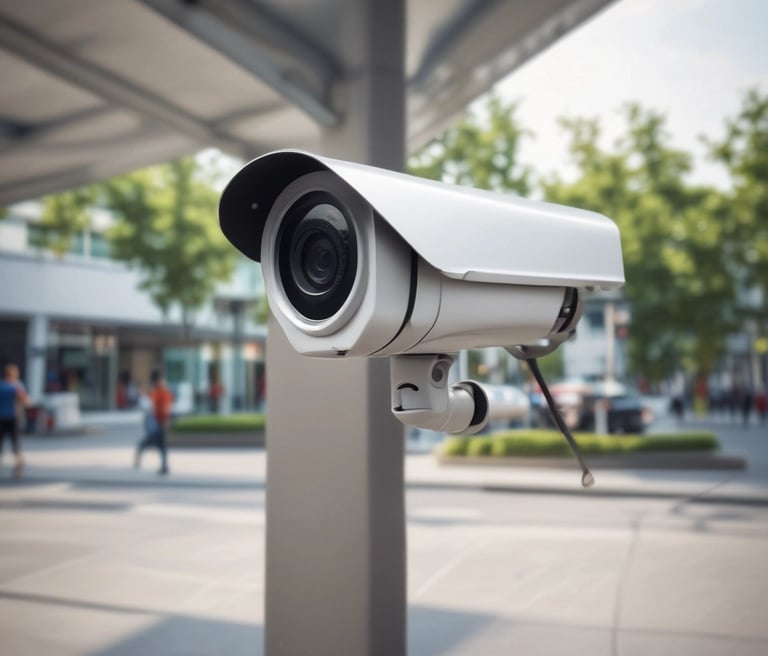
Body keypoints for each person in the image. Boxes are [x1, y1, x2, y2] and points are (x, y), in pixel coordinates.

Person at [134, 371, 173, 475]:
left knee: (159, 444)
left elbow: (165, 407)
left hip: (158, 422)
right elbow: (154, 407)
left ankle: (164, 466)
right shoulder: (157, 392)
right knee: (154, 442)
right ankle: (163, 466)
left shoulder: (160, 392)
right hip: (156, 422)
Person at [0, 364, 29, 479]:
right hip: (13, 417)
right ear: (13, 374)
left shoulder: (1, 386)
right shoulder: (16, 387)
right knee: (15, 444)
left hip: (1, 418)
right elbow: (25, 401)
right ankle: (18, 469)